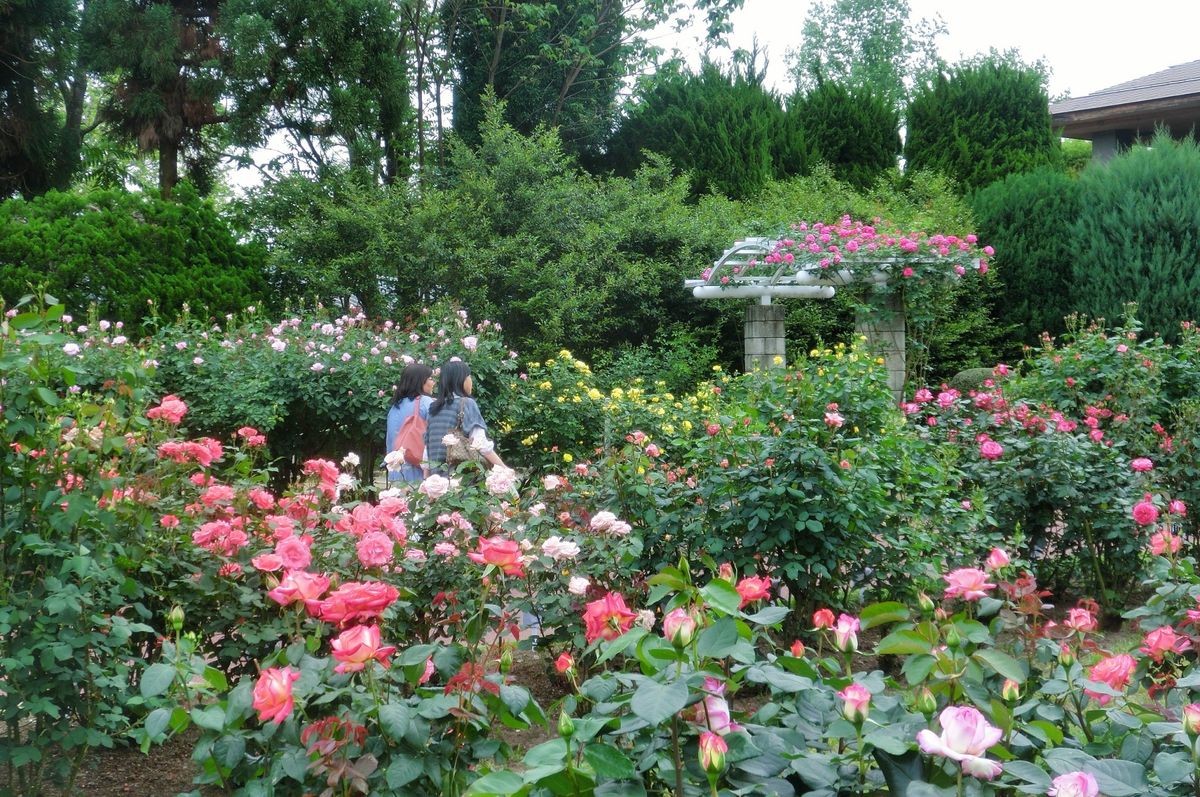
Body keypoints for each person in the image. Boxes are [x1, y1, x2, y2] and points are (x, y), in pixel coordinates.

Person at [423, 359, 506, 475]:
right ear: (461, 380)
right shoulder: (467, 403)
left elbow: (427, 451)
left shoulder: (433, 409)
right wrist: (504, 469)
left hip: (437, 482)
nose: (470, 381)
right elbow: (480, 443)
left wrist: (426, 480)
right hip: (461, 481)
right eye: (469, 376)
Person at [385, 363, 434, 483]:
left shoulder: (394, 407)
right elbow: (435, 438)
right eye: (431, 379)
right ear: (420, 381)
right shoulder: (426, 402)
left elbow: (390, 442)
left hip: (396, 474)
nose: (433, 383)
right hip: (418, 474)